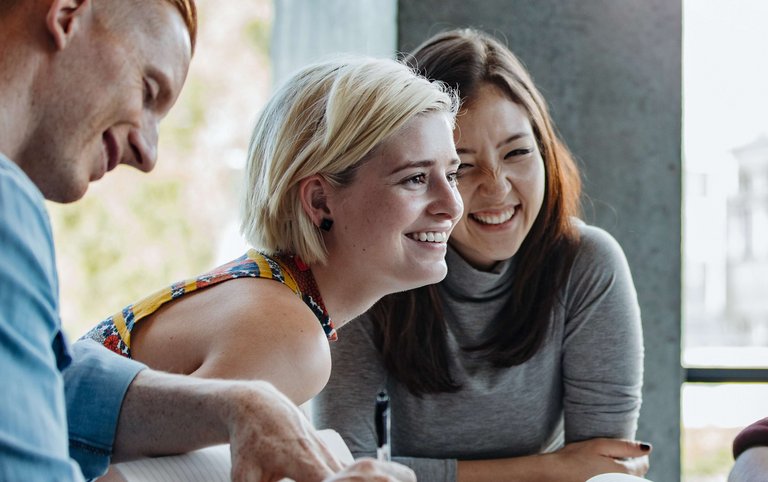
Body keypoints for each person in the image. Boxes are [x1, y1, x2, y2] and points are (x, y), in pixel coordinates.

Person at [0, 1, 416, 480]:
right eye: (147, 89)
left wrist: (239, 405)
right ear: (68, 14)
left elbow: (51, 384)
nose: (148, 154)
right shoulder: (10, 206)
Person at [313, 28, 650, 482]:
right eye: (462, 167)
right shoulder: (373, 267)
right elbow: (346, 470)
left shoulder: (587, 263)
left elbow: (603, 468)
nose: (496, 187)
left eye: (517, 152)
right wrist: (549, 471)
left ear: (546, 152)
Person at [80, 55, 463, 409]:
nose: (453, 205)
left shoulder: (270, 293)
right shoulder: (289, 339)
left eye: (451, 175)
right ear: (319, 201)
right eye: (415, 179)